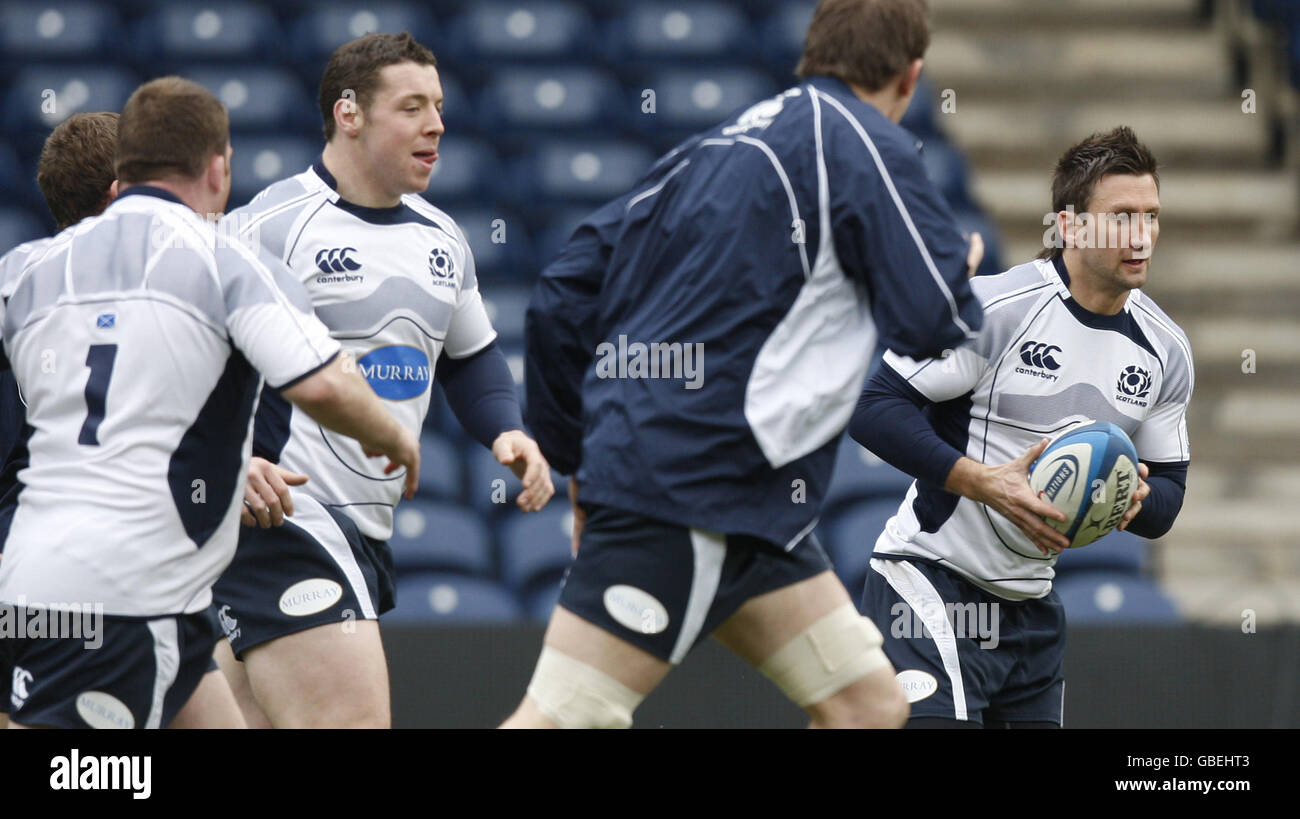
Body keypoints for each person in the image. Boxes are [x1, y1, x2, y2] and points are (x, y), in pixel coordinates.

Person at [503, 0, 985, 729]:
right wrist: (962, 272)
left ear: (814, 55)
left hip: (752, 509)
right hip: (693, 487)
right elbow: (935, 322)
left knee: (868, 707)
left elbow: (561, 295)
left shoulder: (711, 148)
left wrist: (577, 462)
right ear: (912, 76)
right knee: (567, 717)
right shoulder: (862, 140)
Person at [0, 76, 420, 729]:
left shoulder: (27, 271)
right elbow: (320, 382)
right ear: (216, 169)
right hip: (119, 578)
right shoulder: (221, 259)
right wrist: (393, 436)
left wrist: (224, 465)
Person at [212, 31, 554, 729]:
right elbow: (191, 361)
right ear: (349, 113)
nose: (437, 124)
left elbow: (470, 356)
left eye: (438, 106)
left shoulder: (443, 238)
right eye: (412, 107)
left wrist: (506, 428)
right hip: (284, 521)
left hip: (363, 526)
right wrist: (230, 458)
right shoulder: (268, 227)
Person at [850, 125, 1193, 728]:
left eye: (1152, 215)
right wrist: (983, 482)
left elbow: (1167, 498)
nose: (1141, 236)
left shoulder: (1165, 351)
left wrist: (1128, 499)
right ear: (1069, 227)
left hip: (1031, 609)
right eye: (1121, 217)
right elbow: (872, 405)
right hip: (931, 584)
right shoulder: (997, 310)